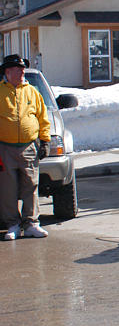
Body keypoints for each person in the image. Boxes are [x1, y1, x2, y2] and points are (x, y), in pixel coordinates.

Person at [1, 55, 51, 241]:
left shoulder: (32, 92)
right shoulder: (0, 91)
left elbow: (42, 118)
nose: (22, 72)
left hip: (29, 147)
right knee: (8, 188)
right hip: (4, 148)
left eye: (22, 69)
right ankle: (13, 225)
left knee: (31, 185)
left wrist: (45, 141)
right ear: (7, 71)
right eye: (18, 69)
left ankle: (31, 223)